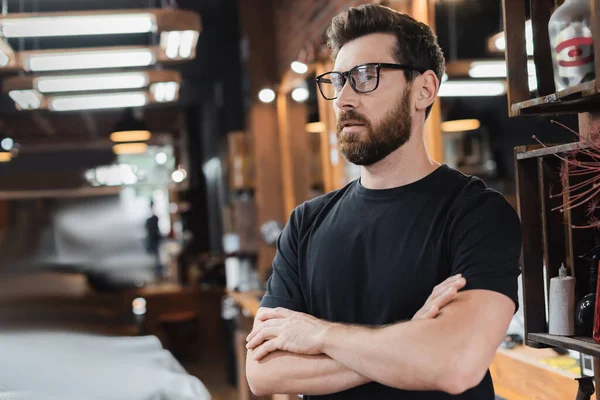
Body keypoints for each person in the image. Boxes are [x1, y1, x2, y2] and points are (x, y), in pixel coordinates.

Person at [245, 4, 522, 399]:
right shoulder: (306, 224)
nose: (342, 99)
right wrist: (412, 338)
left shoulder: (476, 213)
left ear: (423, 89)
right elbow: (264, 373)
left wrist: (318, 334)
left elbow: (455, 364)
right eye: (338, 80)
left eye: (364, 76)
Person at [145, 200, 163, 280]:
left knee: (156, 258)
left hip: (154, 239)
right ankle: (157, 273)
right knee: (155, 258)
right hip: (152, 240)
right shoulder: (151, 217)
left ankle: (158, 273)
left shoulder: (154, 217)